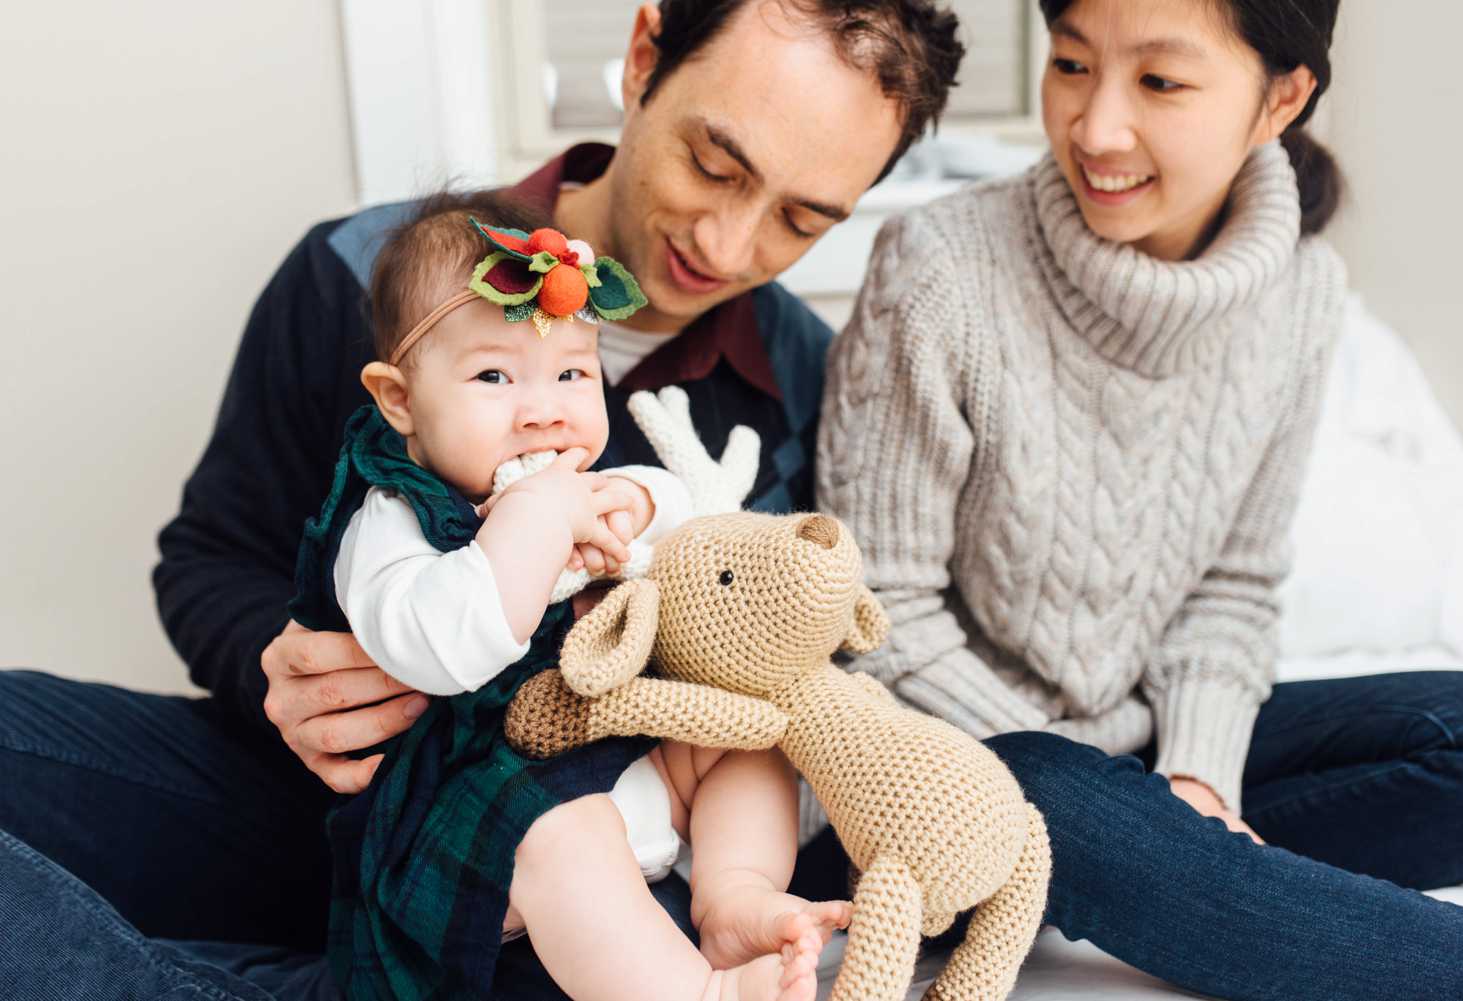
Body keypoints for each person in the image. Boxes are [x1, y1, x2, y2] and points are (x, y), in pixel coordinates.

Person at [0, 2, 963, 998]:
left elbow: (790, 658)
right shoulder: (361, 274)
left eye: (803, 219)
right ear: (643, 61)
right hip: (309, 792)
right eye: (715, 165)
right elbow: (210, 554)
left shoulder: (802, 383)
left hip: (588, 852)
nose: (728, 243)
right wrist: (288, 675)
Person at [811, 0, 1463, 998]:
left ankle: (1188, 876)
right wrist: (1121, 792)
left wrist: (1198, 780)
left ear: (1283, 99)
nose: (1095, 127)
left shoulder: (1303, 292)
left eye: (1161, 82)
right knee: (1055, 791)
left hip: (1139, 755)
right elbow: (878, 617)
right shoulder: (940, 266)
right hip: (957, 753)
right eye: (1074, 64)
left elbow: (1234, 583)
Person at [303, 198, 849, 1001]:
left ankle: (733, 894)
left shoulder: (577, 477)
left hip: (628, 760)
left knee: (745, 735)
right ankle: (701, 994)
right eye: (494, 375)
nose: (546, 408)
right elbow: (440, 647)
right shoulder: (391, 520)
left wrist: (639, 498)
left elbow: (688, 522)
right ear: (399, 399)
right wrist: (530, 522)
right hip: (488, 816)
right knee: (564, 834)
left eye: (571, 372)